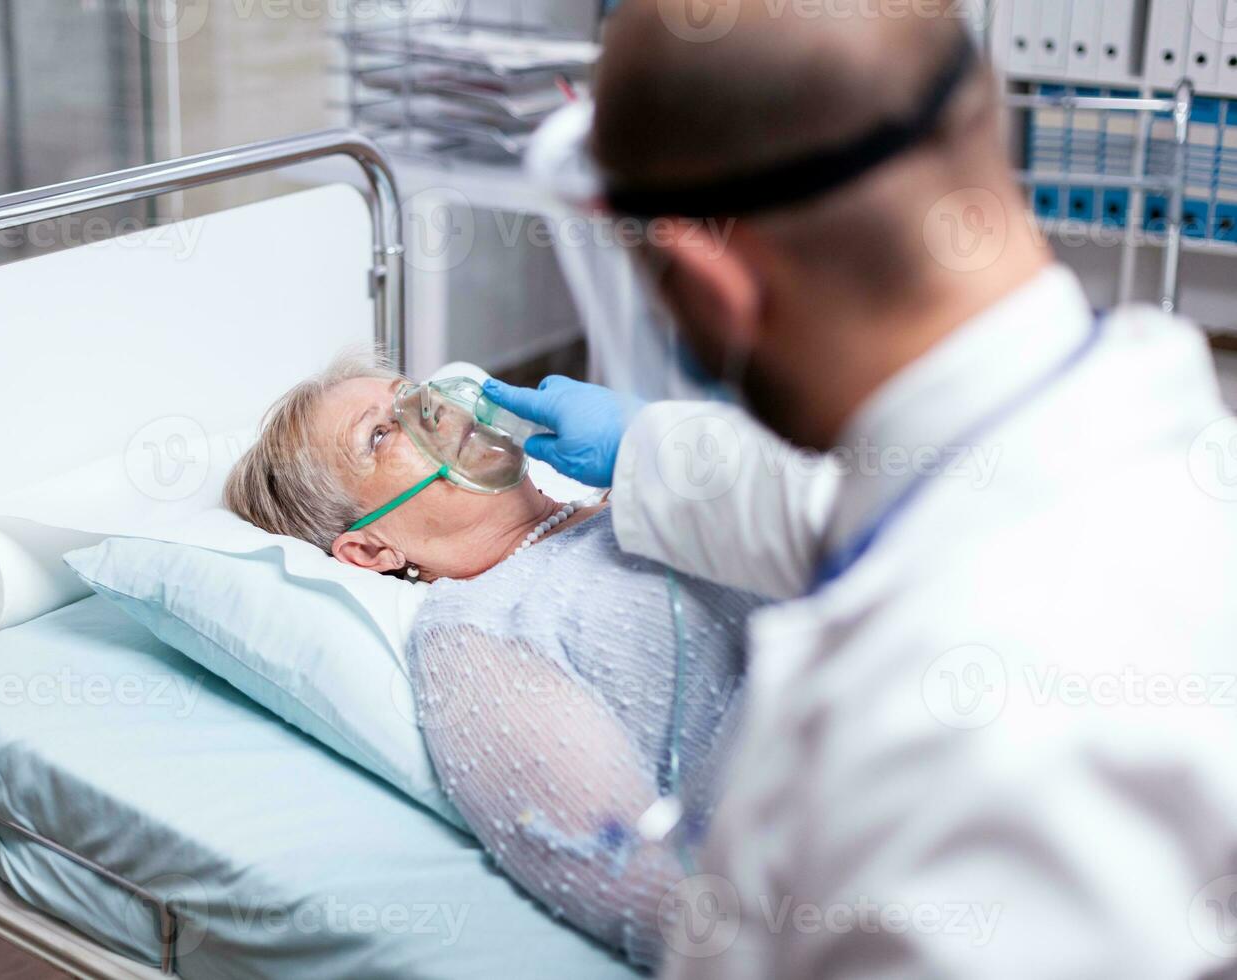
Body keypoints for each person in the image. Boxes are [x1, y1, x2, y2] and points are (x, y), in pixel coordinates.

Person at [482, 1, 1237, 977]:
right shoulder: (1118, 446)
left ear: (713, 280)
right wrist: (645, 449)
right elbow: (846, 509)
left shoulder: (969, 755)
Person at [223, 351, 769, 966]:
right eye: (379, 434)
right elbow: (656, 900)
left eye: (418, 393)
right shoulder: (479, 634)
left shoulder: (637, 488)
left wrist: (666, 451)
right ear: (370, 550)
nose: (430, 411)